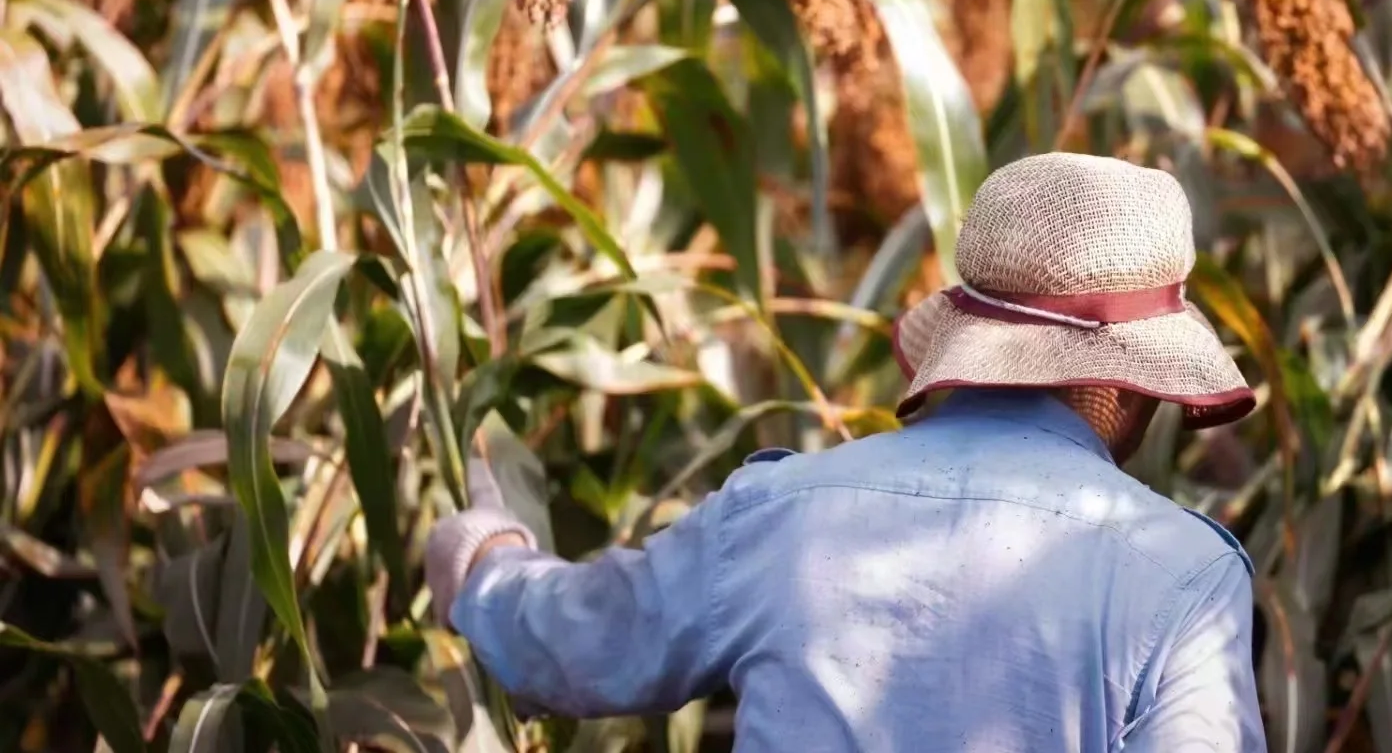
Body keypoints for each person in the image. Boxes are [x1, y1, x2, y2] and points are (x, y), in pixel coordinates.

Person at [426, 152, 1268, 751]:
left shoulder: (779, 513)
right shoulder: (1184, 575)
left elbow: (578, 644)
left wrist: (484, 564)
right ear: (1131, 385)